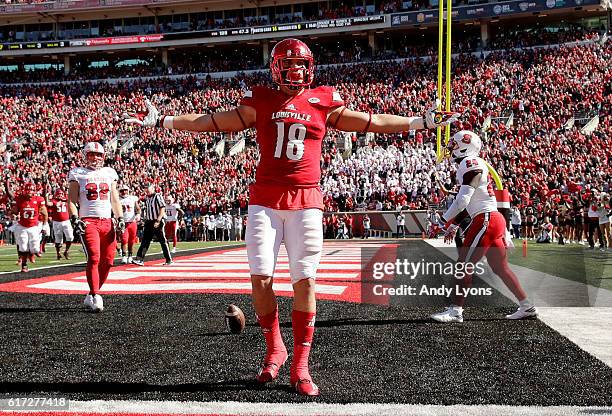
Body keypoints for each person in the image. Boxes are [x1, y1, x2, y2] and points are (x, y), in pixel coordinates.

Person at [125, 37, 458, 396]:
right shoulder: (261, 101)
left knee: (305, 281)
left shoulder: (324, 101)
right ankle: (274, 348)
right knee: (261, 278)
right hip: (265, 200)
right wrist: (164, 121)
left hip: (306, 201)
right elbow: (212, 122)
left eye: (302, 64)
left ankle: (301, 365)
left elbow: (371, 122)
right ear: (277, 68)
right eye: (290, 64)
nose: (297, 70)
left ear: (310, 67)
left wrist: (419, 121)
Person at [430, 131, 537, 323]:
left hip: (486, 219)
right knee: (500, 268)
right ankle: (527, 306)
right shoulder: (472, 163)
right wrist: (453, 225)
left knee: (463, 265)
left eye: (454, 144)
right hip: (492, 219)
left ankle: (456, 311)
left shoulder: (469, 162)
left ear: (465, 146)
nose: (451, 148)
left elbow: (463, 200)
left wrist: (442, 221)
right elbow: (469, 200)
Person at [68, 142, 124, 312]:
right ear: (85, 156)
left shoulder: (109, 173)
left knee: (108, 262)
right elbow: (71, 199)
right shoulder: (78, 173)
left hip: (108, 221)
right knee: (94, 258)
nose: (95, 158)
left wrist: (120, 217)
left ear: (103, 156)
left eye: (98, 155)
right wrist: (75, 218)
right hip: (89, 222)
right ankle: (94, 294)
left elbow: (114, 198)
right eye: (91, 154)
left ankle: (92, 292)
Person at [132, 185, 173, 266]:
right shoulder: (147, 198)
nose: (147, 191)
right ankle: (140, 259)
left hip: (157, 221)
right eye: (145, 189)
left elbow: (162, 208)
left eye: (148, 189)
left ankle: (168, 259)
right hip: (149, 221)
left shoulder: (157, 196)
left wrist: (158, 220)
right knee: (145, 240)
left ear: (153, 189)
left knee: (162, 240)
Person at [12, 182, 48, 273]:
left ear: (34, 191)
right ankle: (24, 265)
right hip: (22, 226)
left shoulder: (39, 199)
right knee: (23, 247)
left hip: (34, 226)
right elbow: (14, 211)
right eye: (27, 190)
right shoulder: (20, 199)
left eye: (31, 190)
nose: (29, 192)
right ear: (24, 190)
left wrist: (44, 225)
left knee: (35, 249)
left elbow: (44, 213)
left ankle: (31, 254)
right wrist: (13, 213)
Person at [47, 188, 74, 260]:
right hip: (57, 222)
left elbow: (72, 200)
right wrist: (46, 196)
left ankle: (66, 251)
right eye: (59, 194)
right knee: (58, 239)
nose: (60, 195)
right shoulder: (54, 201)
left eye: (62, 194)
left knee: (70, 237)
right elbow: (48, 203)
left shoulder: (66, 200)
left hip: (66, 221)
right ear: (56, 194)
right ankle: (58, 253)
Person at [119, 185, 141, 264]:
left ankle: (130, 255)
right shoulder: (117, 199)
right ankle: (124, 256)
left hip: (132, 222)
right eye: (122, 191)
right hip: (123, 222)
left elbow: (138, 208)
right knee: (124, 239)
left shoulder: (132, 198)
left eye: (125, 190)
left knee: (131, 240)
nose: (124, 192)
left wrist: (138, 214)